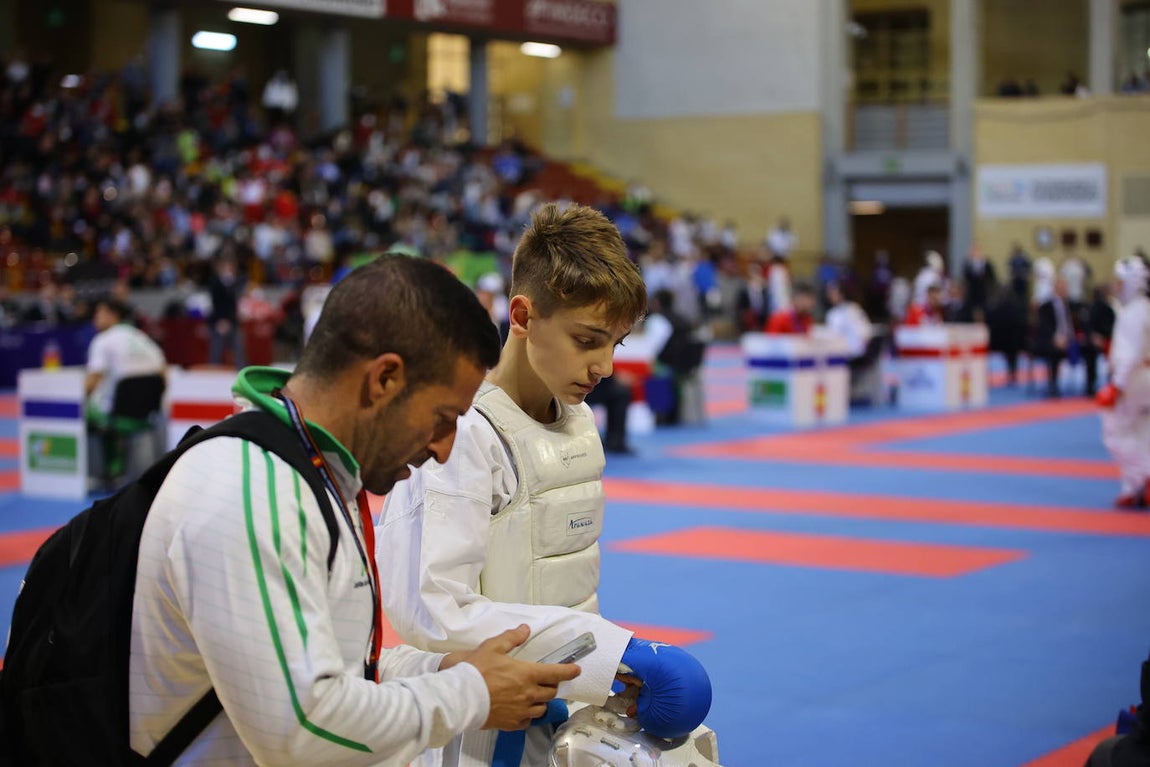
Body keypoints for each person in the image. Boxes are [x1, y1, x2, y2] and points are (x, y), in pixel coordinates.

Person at [128, 255, 582, 765]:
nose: (444, 449)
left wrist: (446, 671)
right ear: (384, 379)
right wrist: (472, 694)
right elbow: (302, 731)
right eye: (443, 417)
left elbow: (335, 674)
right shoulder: (250, 489)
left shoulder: (311, 475)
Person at [378, 204, 708, 767]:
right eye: (587, 340)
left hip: (559, 707)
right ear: (523, 315)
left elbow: (560, 584)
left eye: (616, 344)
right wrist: (618, 655)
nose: (604, 365)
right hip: (476, 727)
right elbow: (433, 611)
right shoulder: (463, 436)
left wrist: (605, 677)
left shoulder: (576, 420)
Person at [1095, 254, 1150, 509]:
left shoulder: (1132, 314)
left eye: (1120, 281)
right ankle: (1133, 486)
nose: (1116, 286)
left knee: (1114, 431)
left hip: (1133, 380)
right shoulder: (1144, 308)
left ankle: (1143, 476)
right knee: (1141, 431)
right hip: (1145, 378)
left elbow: (1130, 356)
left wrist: (1116, 386)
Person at [85, 296, 166, 428]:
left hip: (113, 413)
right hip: (147, 413)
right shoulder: (142, 338)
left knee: (80, 411)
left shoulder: (102, 340)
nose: (95, 317)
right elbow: (163, 373)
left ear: (113, 315)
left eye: (99, 312)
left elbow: (91, 383)